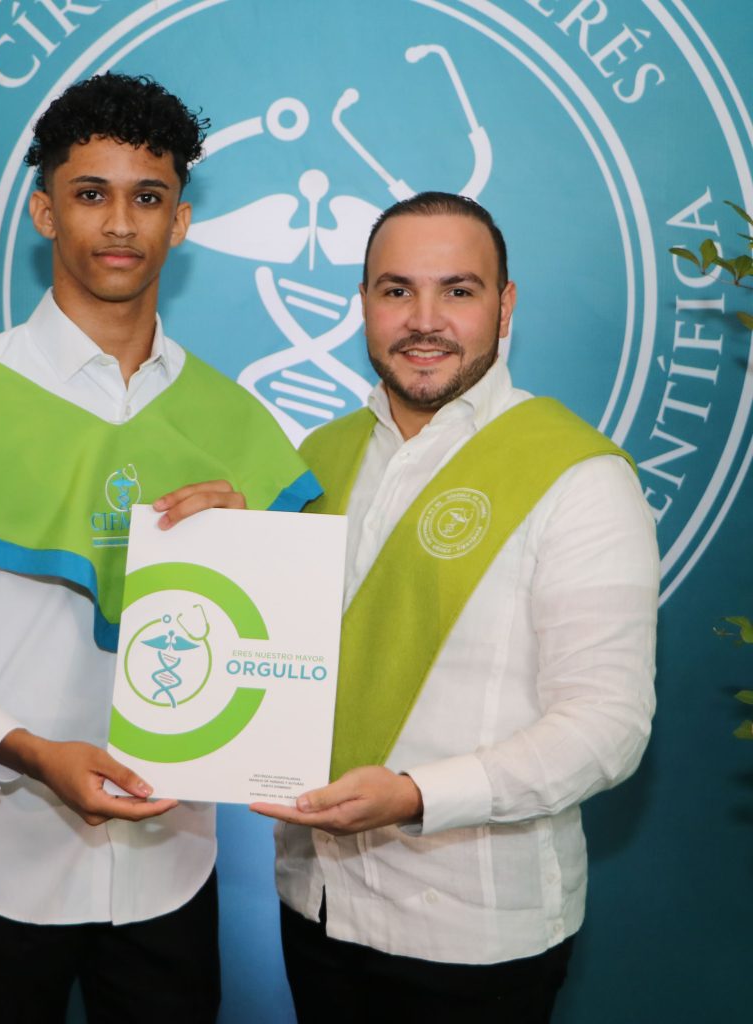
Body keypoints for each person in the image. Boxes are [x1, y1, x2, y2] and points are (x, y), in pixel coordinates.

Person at [0, 73, 317, 1024]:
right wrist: (31, 754)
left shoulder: (235, 422)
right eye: (90, 194)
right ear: (45, 212)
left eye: (148, 197)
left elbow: (274, 662)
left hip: (174, 867)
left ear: (181, 222)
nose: (120, 223)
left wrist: (251, 550)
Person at [252, 192, 659, 1022]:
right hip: (317, 903)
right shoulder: (313, 459)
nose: (424, 320)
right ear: (363, 303)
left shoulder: (581, 477)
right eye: (396, 290)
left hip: (475, 935)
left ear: (505, 306)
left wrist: (418, 795)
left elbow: (608, 727)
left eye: (459, 290)